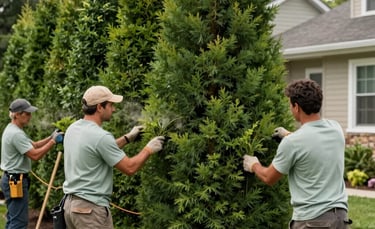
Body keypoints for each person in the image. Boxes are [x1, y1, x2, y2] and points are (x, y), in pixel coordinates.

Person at [243, 79, 351, 229]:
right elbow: (312, 141)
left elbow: (269, 177)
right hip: (340, 219)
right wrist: (288, 134)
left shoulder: (293, 143)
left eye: (290, 105)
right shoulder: (336, 129)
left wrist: (253, 164)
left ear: (296, 107)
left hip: (312, 222)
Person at [63, 85, 165, 228]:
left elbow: (96, 151)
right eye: (111, 105)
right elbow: (130, 168)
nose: (114, 109)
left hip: (70, 208)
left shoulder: (73, 129)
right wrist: (148, 149)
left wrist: (127, 138)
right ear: (99, 107)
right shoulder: (101, 136)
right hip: (90, 211)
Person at [1, 98, 63, 229]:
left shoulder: (14, 129)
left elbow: (33, 145)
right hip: (16, 181)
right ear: (17, 114)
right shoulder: (15, 134)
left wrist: (51, 137)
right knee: (19, 223)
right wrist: (53, 142)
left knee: (13, 219)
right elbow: (35, 155)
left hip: (12, 179)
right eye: (27, 113)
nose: (30, 116)